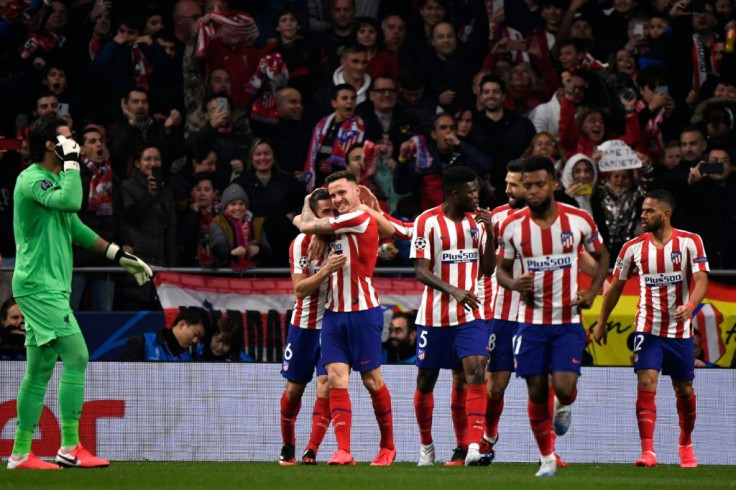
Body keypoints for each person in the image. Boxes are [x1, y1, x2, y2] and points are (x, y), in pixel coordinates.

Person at [8, 116, 152, 470]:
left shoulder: (54, 181)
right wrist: (73, 162)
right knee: (77, 355)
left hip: (50, 285)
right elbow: (73, 202)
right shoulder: (31, 179)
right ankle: (70, 446)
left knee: (39, 370)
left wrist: (120, 255)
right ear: (49, 144)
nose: (73, 141)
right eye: (67, 137)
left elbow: (77, 227)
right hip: (37, 285)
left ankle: (20, 453)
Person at [496, 155, 609, 477]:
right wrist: (514, 283)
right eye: (527, 185)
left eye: (539, 184)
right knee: (534, 390)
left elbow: (602, 257)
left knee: (561, 387)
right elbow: (501, 271)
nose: (532, 190)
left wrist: (591, 292)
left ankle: (565, 403)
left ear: (554, 184)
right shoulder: (511, 227)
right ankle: (546, 458)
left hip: (567, 322)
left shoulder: (579, 220)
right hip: (530, 322)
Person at [594, 189, 708, 469]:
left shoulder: (690, 242)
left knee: (684, 390)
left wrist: (690, 306)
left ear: (665, 214)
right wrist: (601, 321)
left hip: (679, 332)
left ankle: (685, 444)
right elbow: (615, 288)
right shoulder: (632, 247)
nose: (642, 215)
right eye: (642, 211)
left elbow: (702, 280)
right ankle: (648, 451)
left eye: (649, 211)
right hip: (647, 329)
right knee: (646, 382)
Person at [293, 170, 396, 466]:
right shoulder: (337, 227)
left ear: (357, 192)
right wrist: (318, 231)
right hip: (335, 315)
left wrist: (308, 210)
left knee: (372, 381)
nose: (338, 200)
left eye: (342, 193)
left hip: (363, 313)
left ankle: (388, 446)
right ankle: (343, 451)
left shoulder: (359, 218)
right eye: (333, 195)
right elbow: (316, 227)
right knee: (336, 380)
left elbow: (304, 223)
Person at [410, 166, 495, 467]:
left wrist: (492, 231)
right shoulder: (427, 222)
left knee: (475, 370)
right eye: (472, 191)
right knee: (425, 382)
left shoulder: (478, 222)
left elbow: (488, 269)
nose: (477, 196)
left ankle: (472, 445)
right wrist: (454, 290)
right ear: (455, 193)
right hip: (434, 318)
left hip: (471, 313)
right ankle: (426, 445)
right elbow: (420, 270)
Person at [279, 188, 347, 466]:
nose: (331, 218)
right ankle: (287, 445)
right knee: (295, 390)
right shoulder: (301, 244)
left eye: (334, 212)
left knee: (327, 385)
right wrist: (326, 270)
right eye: (325, 213)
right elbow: (300, 289)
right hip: (304, 325)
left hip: (333, 324)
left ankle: (311, 449)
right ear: (314, 216)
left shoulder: (344, 237)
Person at [209, 183, 271, 270]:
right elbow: (217, 247)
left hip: (253, 273)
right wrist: (231, 252)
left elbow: (267, 250)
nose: (237, 208)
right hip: (227, 274)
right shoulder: (218, 222)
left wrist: (258, 249)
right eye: (233, 204)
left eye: (241, 204)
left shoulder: (255, 222)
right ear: (226, 207)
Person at [120, 307, 207, 361]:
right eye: (195, 334)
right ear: (181, 325)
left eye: (199, 337)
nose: (195, 340)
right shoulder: (141, 343)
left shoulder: (193, 354)